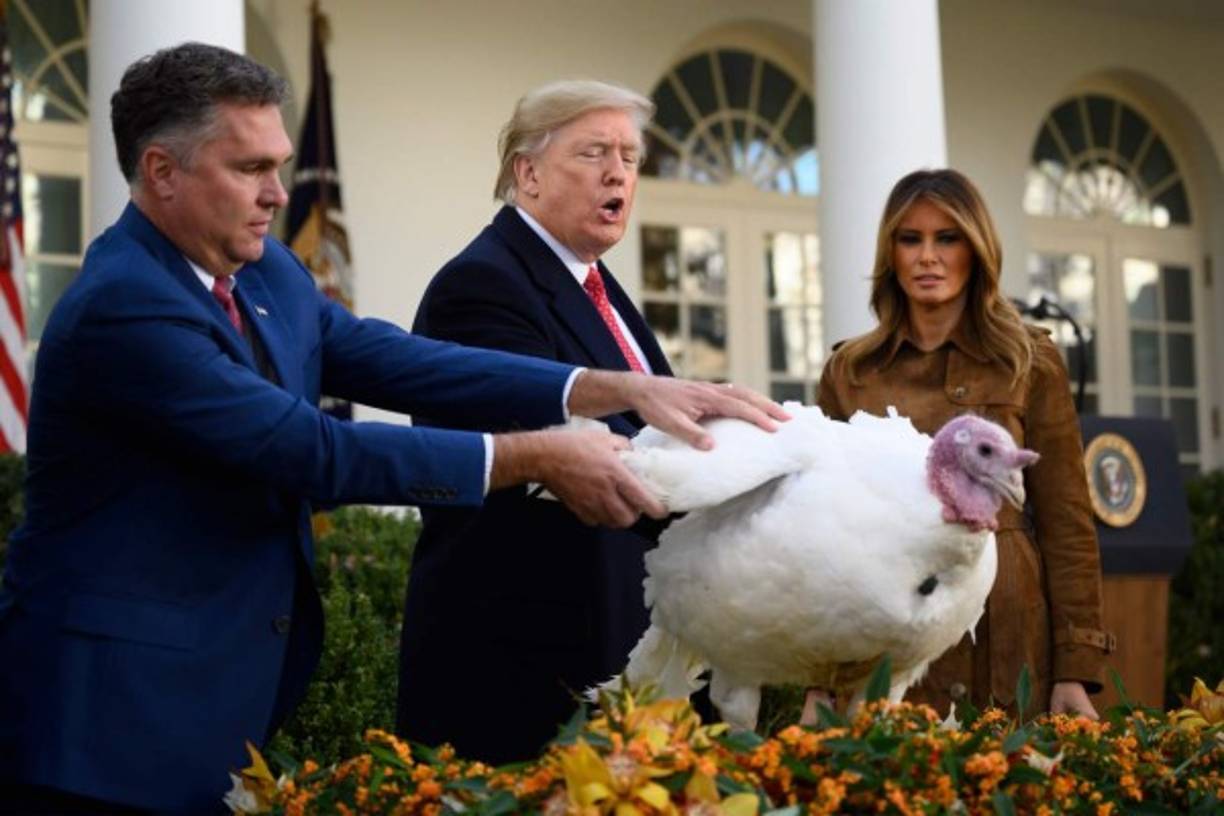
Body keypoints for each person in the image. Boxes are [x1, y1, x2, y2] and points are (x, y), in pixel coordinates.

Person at [0, 45, 785, 813]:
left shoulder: (264, 270)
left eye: (279, 164)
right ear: (162, 172)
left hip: (215, 693)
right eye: (251, 169)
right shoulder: (127, 304)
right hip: (103, 722)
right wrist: (536, 452)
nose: (278, 194)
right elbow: (310, 449)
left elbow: (394, 360)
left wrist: (607, 386)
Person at [397, 79, 703, 763]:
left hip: (615, 653)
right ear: (526, 173)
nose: (619, 172)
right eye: (594, 152)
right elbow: (584, 455)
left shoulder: (596, 285)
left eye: (629, 157)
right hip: (524, 667)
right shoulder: (482, 286)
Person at [815, 169, 1112, 720]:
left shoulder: (1030, 360)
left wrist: (1076, 667)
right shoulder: (849, 371)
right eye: (911, 239)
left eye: (947, 238)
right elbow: (826, 535)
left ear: (976, 250)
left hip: (1007, 630)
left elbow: (1067, 520)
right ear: (891, 254)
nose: (928, 256)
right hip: (888, 626)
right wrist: (817, 678)